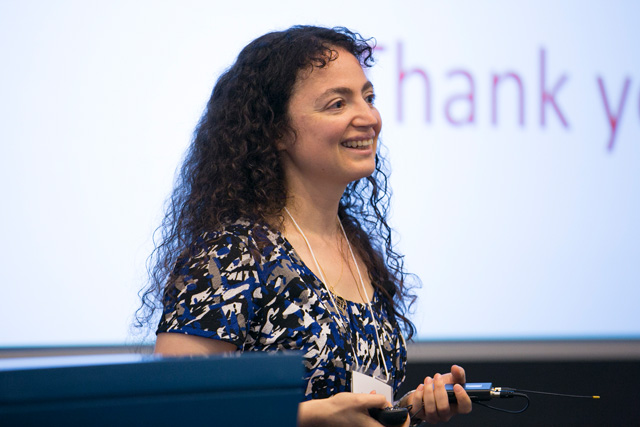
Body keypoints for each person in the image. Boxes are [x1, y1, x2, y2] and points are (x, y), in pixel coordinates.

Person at [137, 25, 472, 426]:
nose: (368, 117)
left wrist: (406, 412)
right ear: (276, 130)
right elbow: (172, 414)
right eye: (337, 104)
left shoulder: (355, 247)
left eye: (369, 98)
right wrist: (305, 419)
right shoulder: (228, 256)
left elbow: (354, 407)